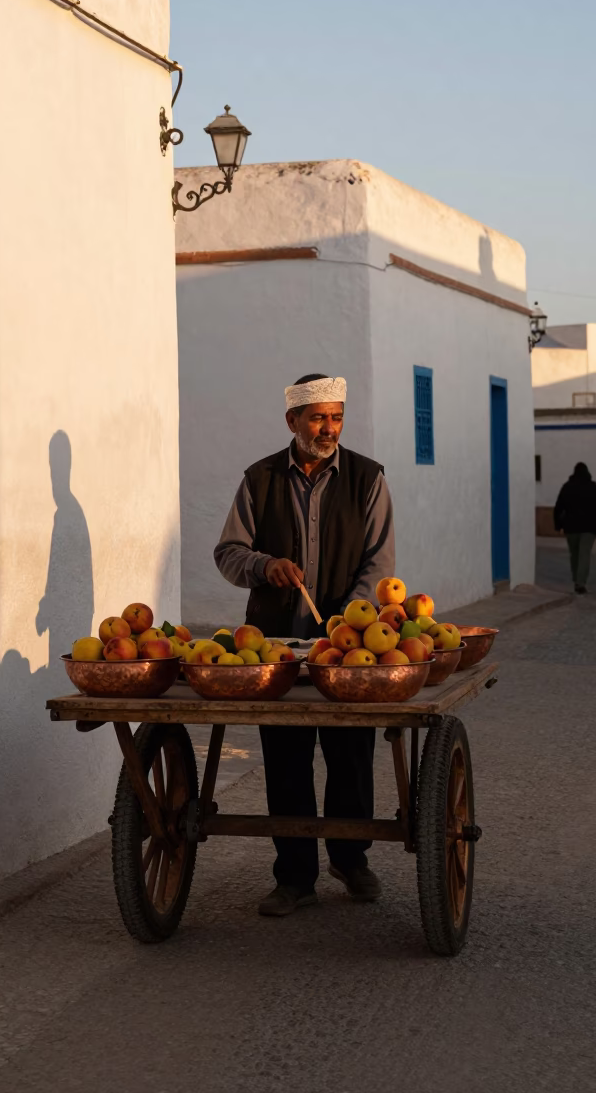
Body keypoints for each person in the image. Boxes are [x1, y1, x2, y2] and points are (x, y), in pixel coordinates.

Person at [214, 374, 395, 917]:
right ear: (291, 421)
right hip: (275, 648)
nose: (329, 428)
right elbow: (227, 552)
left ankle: (351, 858)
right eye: (318, 418)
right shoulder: (259, 479)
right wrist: (264, 566)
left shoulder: (368, 478)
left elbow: (379, 564)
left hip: (348, 649)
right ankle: (294, 876)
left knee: (351, 753)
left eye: (336, 417)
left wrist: (347, 623)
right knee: (286, 757)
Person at [553, 462, 596, 594]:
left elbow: (558, 508)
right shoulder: (593, 488)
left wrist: (558, 525)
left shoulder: (567, 487)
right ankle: (580, 582)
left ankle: (576, 579)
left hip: (571, 527)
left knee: (574, 554)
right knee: (584, 554)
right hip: (589, 527)